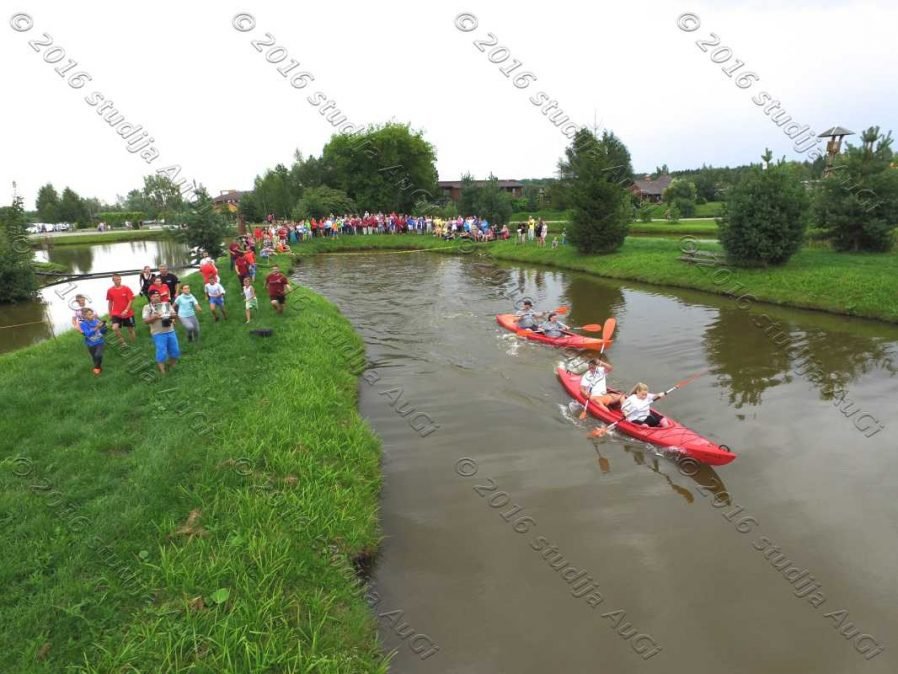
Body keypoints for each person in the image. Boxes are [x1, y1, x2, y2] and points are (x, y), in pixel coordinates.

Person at [142, 290, 179, 374]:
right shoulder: (147, 307)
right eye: (154, 297)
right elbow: (145, 321)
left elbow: (175, 315)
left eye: (158, 296)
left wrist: (168, 315)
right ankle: (163, 372)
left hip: (170, 331)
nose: (156, 298)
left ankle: (172, 366)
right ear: (150, 298)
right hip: (158, 333)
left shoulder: (166, 304)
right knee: (161, 352)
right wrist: (155, 317)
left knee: (175, 351)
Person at [105, 273, 136, 345]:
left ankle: (134, 343)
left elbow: (131, 300)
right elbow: (110, 302)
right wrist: (110, 313)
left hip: (128, 313)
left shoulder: (126, 288)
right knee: (115, 328)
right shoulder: (110, 290)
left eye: (119, 279)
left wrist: (126, 310)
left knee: (130, 330)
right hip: (116, 313)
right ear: (113, 280)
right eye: (116, 279)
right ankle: (123, 343)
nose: (118, 281)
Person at [78, 308, 106, 375]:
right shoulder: (83, 324)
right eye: (89, 314)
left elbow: (103, 332)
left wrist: (104, 326)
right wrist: (97, 327)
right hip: (90, 344)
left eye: (92, 314)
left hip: (100, 342)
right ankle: (99, 369)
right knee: (94, 358)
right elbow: (87, 334)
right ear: (85, 316)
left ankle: (96, 368)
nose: (92, 315)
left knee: (98, 355)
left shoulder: (97, 321)